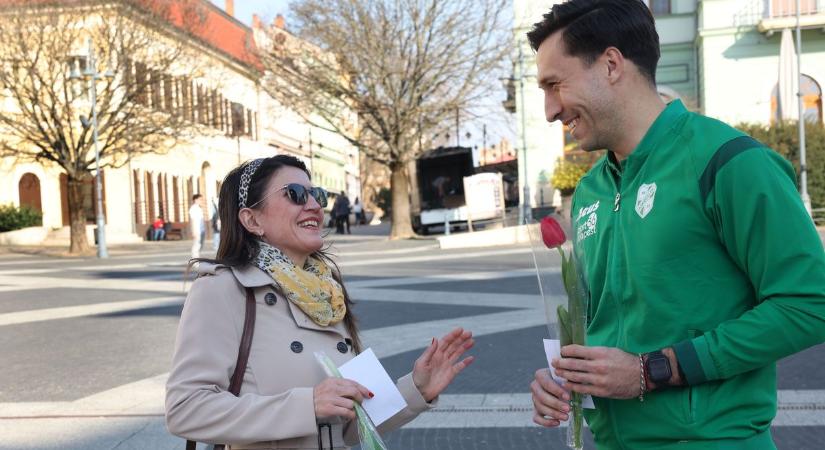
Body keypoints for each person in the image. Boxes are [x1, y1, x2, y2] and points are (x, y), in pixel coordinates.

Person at [526, 1, 825, 449]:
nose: (550, 110)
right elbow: (606, 325)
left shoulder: (729, 162)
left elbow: (810, 303)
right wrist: (567, 379)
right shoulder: (591, 190)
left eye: (555, 84)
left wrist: (655, 369)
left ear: (610, 64)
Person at [166, 155, 475, 449]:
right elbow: (186, 408)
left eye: (317, 195)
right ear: (251, 219)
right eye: (296, 194)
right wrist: (306, 405)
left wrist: (416, 389)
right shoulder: (223, 289)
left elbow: (351, 427)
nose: (314, 205)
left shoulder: (325, 294)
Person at [189, 193, 205, 259]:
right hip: (197, 230)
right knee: (196, 245)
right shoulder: (193, 208)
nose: (201, 201)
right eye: (200, 199)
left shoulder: (199, 208)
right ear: (195, 200)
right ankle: (194, 259)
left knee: (200, 244)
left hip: (201, 229)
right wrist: (194, 231)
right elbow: (192, 221)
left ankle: (197, 257)